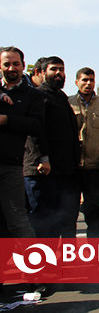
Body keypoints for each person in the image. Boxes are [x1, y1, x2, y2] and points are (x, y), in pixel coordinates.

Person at [23, 56, 81, 237]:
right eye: (54, 69)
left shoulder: (61, 97)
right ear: (41, 73)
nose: (58, 73)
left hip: (64, 170)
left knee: (62, 221)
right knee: (44, 223)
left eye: (61, 69)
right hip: (44, 171)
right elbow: (34, 131)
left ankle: (58, 262)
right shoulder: (37, 96)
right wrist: (43, 158)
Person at [69, 67, 99, 237]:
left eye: (91, 80)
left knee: (95, 213)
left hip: (95, 167)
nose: (88, 83)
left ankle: (94, 254)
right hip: (72, 168)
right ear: (76, 82)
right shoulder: (67, 104)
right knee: (69, 214)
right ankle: (69, 253)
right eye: (84, 80)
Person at [0, 47, 41, 238]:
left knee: (17, 218)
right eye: (6, 64)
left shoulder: (33, 96)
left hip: (11, 165)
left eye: (15, 64)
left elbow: (36, 125)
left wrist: (6, 120)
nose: (11, 68)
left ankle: (34, 264)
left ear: (23, 66)